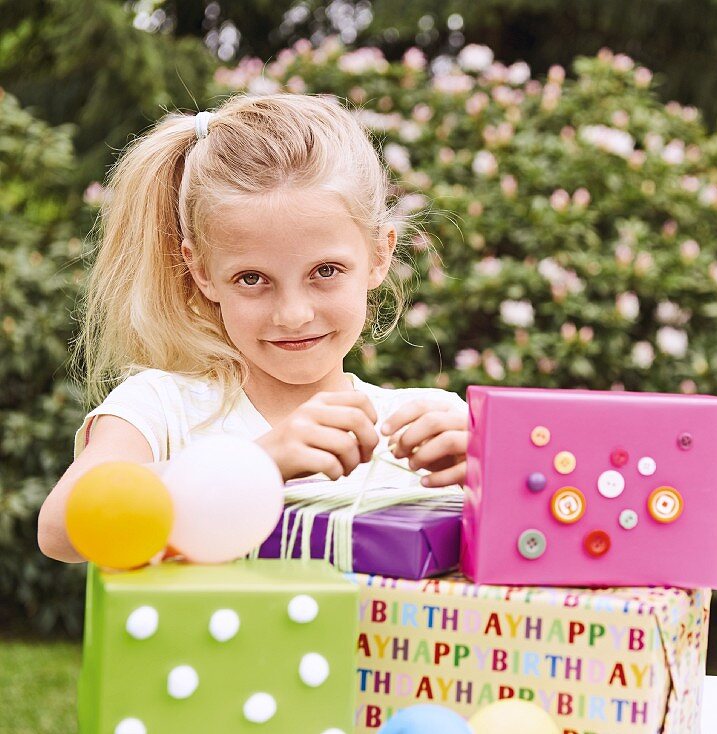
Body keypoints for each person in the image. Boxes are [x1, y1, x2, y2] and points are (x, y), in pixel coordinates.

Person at [38, 94, 468, 563]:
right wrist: (255, 462)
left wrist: (497, 477)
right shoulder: (162, 409)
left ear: (380, 255)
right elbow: (62, 528)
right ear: (201, 272)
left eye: (325, 271)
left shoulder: (431, 428)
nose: (293, 314)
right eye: (252, 279)